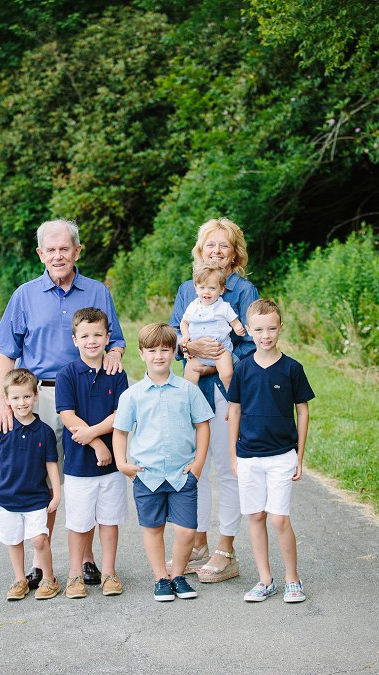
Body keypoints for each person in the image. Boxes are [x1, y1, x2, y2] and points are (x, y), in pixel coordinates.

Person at [0, 219, 125, 589]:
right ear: (40, 255)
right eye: (50, 250)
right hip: (39, 398)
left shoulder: (97, 291)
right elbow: (6, 353)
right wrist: (4, 401)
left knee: (88, 477)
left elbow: (116, 339)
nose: (58, 256)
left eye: (65, 248)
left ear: (77, 251)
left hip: (88, 396)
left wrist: (115, 351)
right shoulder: (25, 295)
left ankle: (86, 561)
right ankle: (41, 562)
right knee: (40, 482)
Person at [167, 217, 258, 583]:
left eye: (224, 245)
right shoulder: (187, 288)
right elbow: (174, 333)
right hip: (190, 393)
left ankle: (226, 550)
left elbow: (252, 347)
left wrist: (214, 363)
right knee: (196, 468)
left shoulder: (243, 291)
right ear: (200, 250)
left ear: (235, 253)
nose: (217, 251)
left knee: (226, 468)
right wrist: (187, 346)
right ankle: (199, 545)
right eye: (210, 245)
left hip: (224, 391)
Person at [112, 323, 213, 601]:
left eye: (165, 350)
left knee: (186, 530)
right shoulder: (132, 395)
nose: (159, 356)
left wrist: (198, 464)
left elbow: (203, 426)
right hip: (148, 474)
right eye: (152, 350)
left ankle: (178, 575)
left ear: (174, 352)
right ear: (142, 354)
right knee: (153, 528)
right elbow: (120, 432)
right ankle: (160, 579)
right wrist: (122, 463)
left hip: (183, 473)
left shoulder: (188, 390)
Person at [227, 300, 314, 603]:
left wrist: (299, 457)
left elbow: (302, 412)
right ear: (249, 331)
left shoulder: (292, 369)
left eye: (272, 328)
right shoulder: (243, 368)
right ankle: (265, 580)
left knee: (278, 519)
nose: (265, 335)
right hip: (248, 455)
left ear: (280, 328)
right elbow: (234, 411)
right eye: (259, 329)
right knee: (255, 516)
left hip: (281, 455)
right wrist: (233, 455)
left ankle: (293, 578)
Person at [55, 308, 129, 599]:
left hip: (111, 467)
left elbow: (120, 414)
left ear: (108, 337)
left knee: (109, 520)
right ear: (75, 340)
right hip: (78, 466)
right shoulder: (67, 375)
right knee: (79, 522)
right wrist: (97, 443)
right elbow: (68, 415)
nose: (91, 341)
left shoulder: (116, 374)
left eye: (98, 335)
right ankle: (75, 575)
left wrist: (95, 432)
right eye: (85, 336)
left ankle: (109, 572)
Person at [0, 369, 61, 601]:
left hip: (36, 498)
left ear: (36, 395)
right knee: (13, 540)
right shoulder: (2, 427)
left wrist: (56, 493)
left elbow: (51, 464)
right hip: (6, 497)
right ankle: (20, 579)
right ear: (6, 400)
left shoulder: (44, 431)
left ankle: (49, 578)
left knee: (38, 539)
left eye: (26, 396)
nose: (22, 402)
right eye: (15, 398)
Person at [179, 262, 246, 390]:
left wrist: (238, 327)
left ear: (222, 290)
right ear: (196, 288)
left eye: (212, 288)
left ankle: (233, 400)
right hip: (198, 353)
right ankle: (192, 400)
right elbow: (184, 322)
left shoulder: (223, 307)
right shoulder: (193, 306)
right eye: (202, 287)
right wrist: (186, 335)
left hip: (220, 350)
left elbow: (234, 321)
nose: (207, 292)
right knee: (189, 374)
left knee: (227, 374)